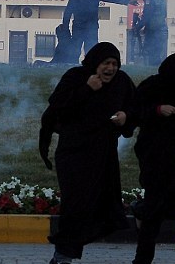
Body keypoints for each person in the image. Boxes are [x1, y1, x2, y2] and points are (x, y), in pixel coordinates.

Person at [38, 42, 135, 264]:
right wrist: (86, 89)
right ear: (95, 63)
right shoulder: (76, 77)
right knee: (76, 205)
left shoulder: (121, 82)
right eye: (106, 63)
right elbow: (58, 107)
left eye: (114, 64)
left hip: (103, 155)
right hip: (74, 153)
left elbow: (135, 107)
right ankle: (63, 256)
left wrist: (125, 116)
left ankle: (65, 253)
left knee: (102, 205)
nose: (110, 68)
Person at [129, 53, 175, 264]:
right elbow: (135, 112)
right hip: (152, 153)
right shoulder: (151, 86)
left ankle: (139, 209)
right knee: (154, 210)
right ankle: (142, 259)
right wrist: (158, 110)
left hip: (173, 153)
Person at [62, 0, 135, 58]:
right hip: (79, 27)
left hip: (92, 27)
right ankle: (71, 66)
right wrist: (65, 27)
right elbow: (68, 11)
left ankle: (91, 68)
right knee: (75, 50)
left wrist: (126, 1)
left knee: (92, 50)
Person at [135, 0, 168, 66]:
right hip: (162, 29)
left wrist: (138, 26)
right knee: (158, 52)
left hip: (153, 30)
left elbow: (147, 15)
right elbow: (164, 14)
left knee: (151, 52)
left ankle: (152, 70)